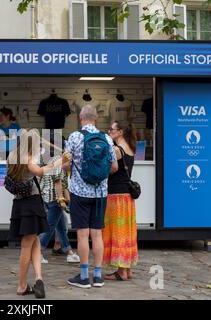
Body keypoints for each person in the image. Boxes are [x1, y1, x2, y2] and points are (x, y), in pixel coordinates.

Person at [6, 131, 68, 299]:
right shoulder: (28, 160)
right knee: (27, 245)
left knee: (35, 242)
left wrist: (45, 144)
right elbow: (40, 172)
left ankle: (39, 278)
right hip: (31, 204)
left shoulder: (12, 156)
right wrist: (58, 162)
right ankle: (21, 285)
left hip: (19, 204)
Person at [64, 105, 118, 289]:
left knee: (82, 234)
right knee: (97, 234)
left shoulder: (74, 137)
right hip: (100, 193)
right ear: (96, 118)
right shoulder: (107, 139)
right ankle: (98, 276)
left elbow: (65, 166)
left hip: (79, 192)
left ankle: (84, 277)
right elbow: (114, 167)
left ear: (81, 118)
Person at [103, 121, 138, 281]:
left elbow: (109, 170)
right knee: (127, 233)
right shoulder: (130, 148)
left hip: (116, 196)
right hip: (127, 198)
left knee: (118, 233)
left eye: (112, 129)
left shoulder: (117, 149)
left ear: (121, 132)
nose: (109, 131)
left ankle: (121, 271)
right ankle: (127, 268)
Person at [39, 137, 79, 264]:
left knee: (61, 227)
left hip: (46, 196)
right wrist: (61, 199)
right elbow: (58, 181)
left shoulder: (46, 160)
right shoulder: (57, 161)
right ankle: (37, 252)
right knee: (49, 227)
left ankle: (69, 253)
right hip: (54, 199)